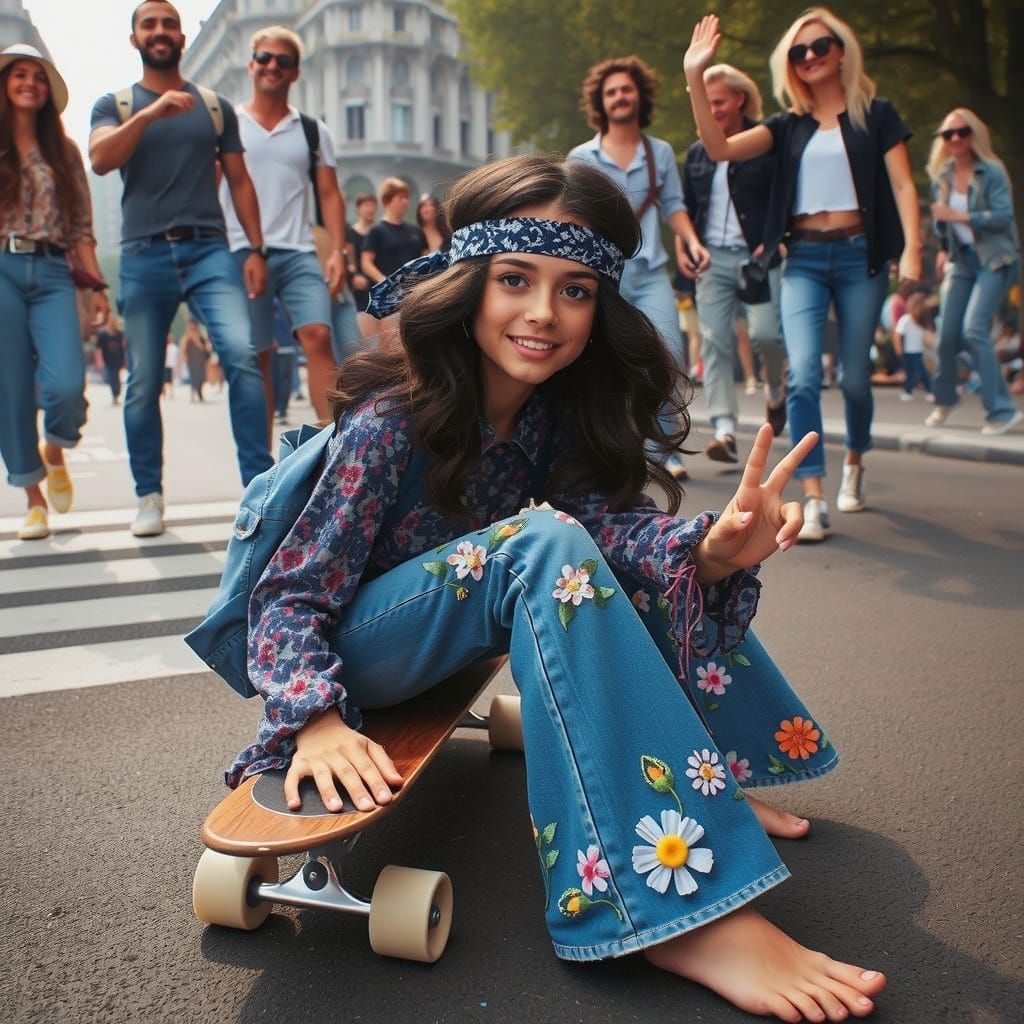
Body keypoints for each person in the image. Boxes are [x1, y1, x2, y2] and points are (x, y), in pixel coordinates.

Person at [230, 154, 886, 1022]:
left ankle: (702, 784)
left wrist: (713, 549)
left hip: (450, 624)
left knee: (627, 557)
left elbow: (609, 534)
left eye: (576, 290)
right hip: (358, 655)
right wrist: (313, 719)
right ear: (467, 285)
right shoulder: (394, 421)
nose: (544, 313)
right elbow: (288, 596)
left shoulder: (546, 415)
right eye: (515, 280)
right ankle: (666, 903)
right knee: (544, 544)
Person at [684, 10, 921, 542]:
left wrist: (913, 251)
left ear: (842, 51)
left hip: (862, 256)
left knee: (856, 379)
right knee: (805, 372)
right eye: (799, 51)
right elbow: (718, 148)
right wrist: (695, 77)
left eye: (821, 46)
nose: (811, 57)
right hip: (805, 258)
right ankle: (813, 498)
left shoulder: (876, 115)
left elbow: (905, 187)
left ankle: (855, 460)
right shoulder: (787, 127)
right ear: (790, 63)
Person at [89, 0, 273, 538]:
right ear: (135, 39)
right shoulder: (116, 103)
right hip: (143, 254)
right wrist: (149, 114)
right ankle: (149, 495)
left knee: (241, 355)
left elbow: (239, 180)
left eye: (169, 23)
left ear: (181, 37)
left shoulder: (214, 106)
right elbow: (100, 158)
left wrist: (255, 250)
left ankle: (257, 492)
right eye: (150, 24)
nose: (161, 31)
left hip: (210, 250)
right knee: (143, 381)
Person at [569, 56, 709, 480]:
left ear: (639, 95)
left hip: (649, 271)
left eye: (626, 89)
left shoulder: (659, 152)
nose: (619, 97)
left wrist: (692, 239)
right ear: (601, 101)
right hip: (601, 277)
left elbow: (674, 207)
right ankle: (599, 447)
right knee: (599, 365)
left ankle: (660, 449)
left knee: (667, 354)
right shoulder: (582, 156)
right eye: (611, 91)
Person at [0, 44, 109, 541]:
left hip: (51, 271)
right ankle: (33, 498)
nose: (28, 83)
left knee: (66, 384)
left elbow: (82, 227)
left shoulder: (64, 152)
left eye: (37, 76)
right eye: (18, 74)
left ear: (48, 90)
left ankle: (57, 446)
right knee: (12, 389)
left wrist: (97, 288)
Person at [219, 24, 347, 426]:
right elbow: (211, 187)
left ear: (294, 72)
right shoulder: (227, 124)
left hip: (298, 251)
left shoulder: (312, 130)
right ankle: (260, 459)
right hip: (242, 251)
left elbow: (329, 193)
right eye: (264, 57)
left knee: (318, 336)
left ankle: (330, 443)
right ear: (251, 65)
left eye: (283, 60)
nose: (272, 65)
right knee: (258, 353)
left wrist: (339, 254)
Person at [682, 63, 788, 463]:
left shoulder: (766, 143)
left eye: (719, 102)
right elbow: (687, 210)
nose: (713, 110)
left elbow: (785, 198)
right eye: (705, 104)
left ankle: (775, 390)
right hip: (713, 259)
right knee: (714, 340)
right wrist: (684, 247)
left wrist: (777, 241)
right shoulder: (696, 153)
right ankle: (724, 429)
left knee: (766, 336)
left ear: (740, 99)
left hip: (759, 258)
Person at [926, 108, 1022, 435]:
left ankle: (1002, 410)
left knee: (974, 329)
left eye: (962, 132)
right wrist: (942, 249)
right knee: (946, 334)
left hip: (995, 259)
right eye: (948, 133)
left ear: (974, 135)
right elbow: (941, 224)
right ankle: (946, 398)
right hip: (961, 260)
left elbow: (1004, 216)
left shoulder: (992, 171)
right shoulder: (941, 176)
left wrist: (961, 216)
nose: (955, 138)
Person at [360, 177, 427, 283]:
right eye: (401, 197)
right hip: (389, 295)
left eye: (407, 197)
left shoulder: (416, 231)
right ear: (387, 200)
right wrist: (384, 281)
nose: (405, 201)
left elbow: (425, 258)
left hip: (415, 291)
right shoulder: (376, 231)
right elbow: (366, 263)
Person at [893, 292, 933, 399]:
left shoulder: (925, 320)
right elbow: (898, 335)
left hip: (922, 351)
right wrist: (899, 349)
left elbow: (928, 335)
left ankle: (929, 391)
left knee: (925, 373)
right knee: (912, 373)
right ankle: (907, 391)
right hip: (909, 351)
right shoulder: (906, 319)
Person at [347, 191, 377, 314]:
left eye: (372, 206)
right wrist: (354, 276)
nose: (369, 209)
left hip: (378, 282)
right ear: (358, 209)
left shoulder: (379, 231)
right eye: (366, 206)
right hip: (360, 286)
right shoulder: (350, 233)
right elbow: (349, 259)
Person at [96, 310, 126, 405]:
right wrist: (99, 360)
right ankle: (115, 394)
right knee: (112, 377)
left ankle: (117, 394)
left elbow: (123, 347)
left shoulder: (119, 334)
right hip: (108, 359)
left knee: (116, 377)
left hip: (118, 359)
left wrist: (125, 359)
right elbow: (99, 349)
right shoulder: (102, 334)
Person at [181, 317, 210, 402]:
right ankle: (193, 395)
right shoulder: (186, 338)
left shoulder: (201, 337)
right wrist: (185, 359)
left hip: (201, 361)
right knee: (194, 378)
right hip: (192, 362)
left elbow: (205, 349)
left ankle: (200, 393)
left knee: (201, 378)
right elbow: (183, 350)